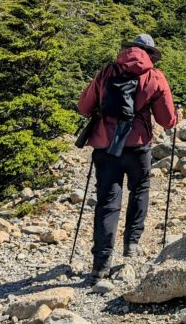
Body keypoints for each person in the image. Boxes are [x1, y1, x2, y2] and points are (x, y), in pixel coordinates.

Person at [77, 33, 179, 279]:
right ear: (150, 54)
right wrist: (178, 118)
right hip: (137, 146)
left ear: (128, 50)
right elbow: (167, 121)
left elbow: (83, 107)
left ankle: (101, 263)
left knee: (107, 203)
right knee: (140, 189)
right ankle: (131, 244)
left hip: (106, 147)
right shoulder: (154, 76)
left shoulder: (107, 72)